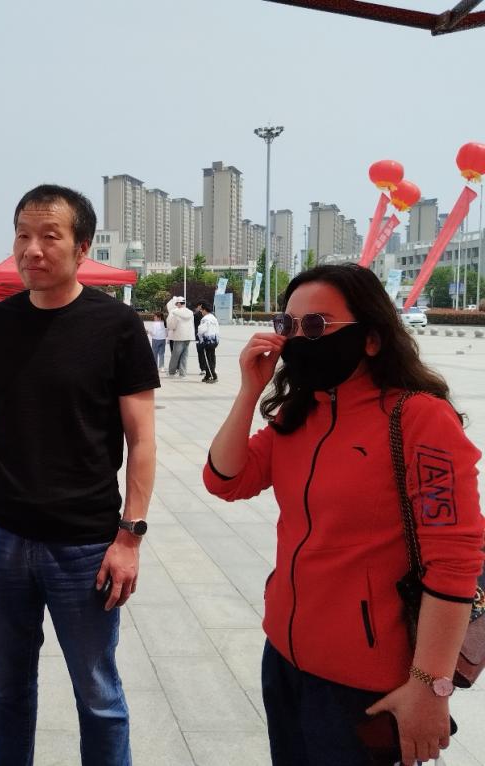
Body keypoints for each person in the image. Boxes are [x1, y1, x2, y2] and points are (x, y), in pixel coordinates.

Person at [203, 264, 484, 766]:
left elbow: (454, 562)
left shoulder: (420, 419)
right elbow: (225, 480)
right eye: (288, 325)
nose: (296, 340)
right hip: (284, 658)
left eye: (316, 326)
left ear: (371, 339)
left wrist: (430, 687)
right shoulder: (299, 414)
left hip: (365, 684)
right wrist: (249, 391)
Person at [0, 184, 159, 765]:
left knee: (98, 695)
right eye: (23, 235)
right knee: (7, 689)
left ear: (82, 247)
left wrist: (130, 537)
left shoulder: (117, 326)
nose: (32, 249)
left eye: (49, 236)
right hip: (2, 537)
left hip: (85, 545)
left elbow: (142, 440)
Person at [165, 295, 194, 378]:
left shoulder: (174, 312)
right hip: (188, 336)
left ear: (178, 303)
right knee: (184, 355)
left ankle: (171, 372)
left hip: (179, 336)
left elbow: (172, 325)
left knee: (175, 355)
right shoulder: (190, 312)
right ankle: (182, 373)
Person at [195, 300, 219, 383]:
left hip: (207, 341)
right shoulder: (213, 318)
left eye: (201, 310)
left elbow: (201, 330)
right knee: (212, 358)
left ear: (205, 310)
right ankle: (208, 375)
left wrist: (198, 334)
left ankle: (213, 376)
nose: (201, 312)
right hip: (214, 340)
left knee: (207, 359)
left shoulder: (205, 319)